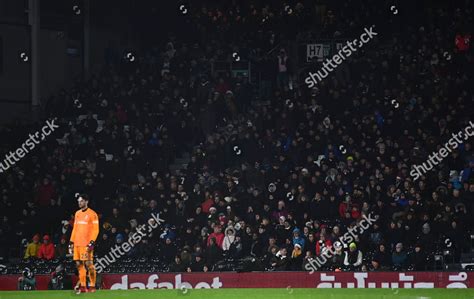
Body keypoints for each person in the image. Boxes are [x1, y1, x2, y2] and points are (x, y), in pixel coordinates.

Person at [69, 194, 99, 293]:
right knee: (79, 264)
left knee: (89, 264)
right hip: (77, 243)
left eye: (81, 201)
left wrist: (92, 242)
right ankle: (83, 286)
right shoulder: (77, 213)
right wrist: (71, 242)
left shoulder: (92, 214)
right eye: (78, 201)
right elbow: (75, 228)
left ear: (86, 201)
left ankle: (93, 286)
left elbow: (96, 230)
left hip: (86, 244)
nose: (79, 203)